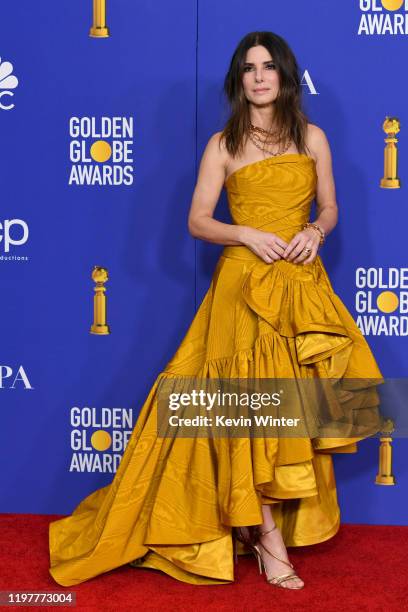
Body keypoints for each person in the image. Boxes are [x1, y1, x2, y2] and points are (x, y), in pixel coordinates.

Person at [49, 31, 385, 590]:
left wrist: (315, 231)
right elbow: (198, 221)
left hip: (299, 289)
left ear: (284, 76)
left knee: (286, 413)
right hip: (240, 290)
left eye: (268, 66)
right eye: (249, 68)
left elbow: (329, 206)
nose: (259, 76)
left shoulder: (315, 138)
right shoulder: (222, 145)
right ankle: (268, 539)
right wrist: (246, 233)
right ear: (238, 79)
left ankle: (259, 526)